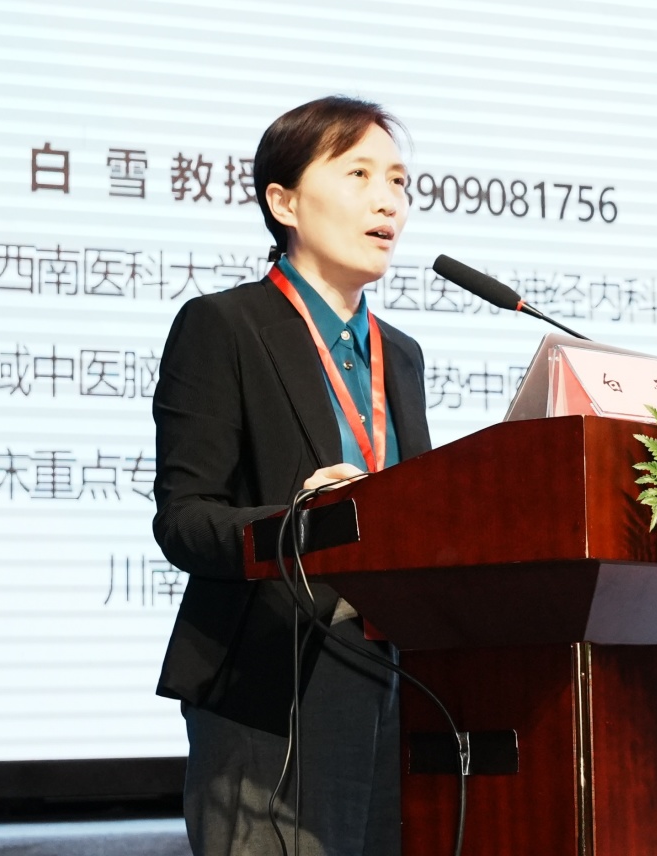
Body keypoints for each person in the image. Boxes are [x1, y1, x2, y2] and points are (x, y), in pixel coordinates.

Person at [152, 96, 428, 856]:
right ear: (284, 203)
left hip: (396, 684)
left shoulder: (400, 354)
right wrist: (297, 525)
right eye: (359, 174)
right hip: (273, 683)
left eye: (399, 181)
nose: (388, 201)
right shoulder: (224, 326)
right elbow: (184, 519)